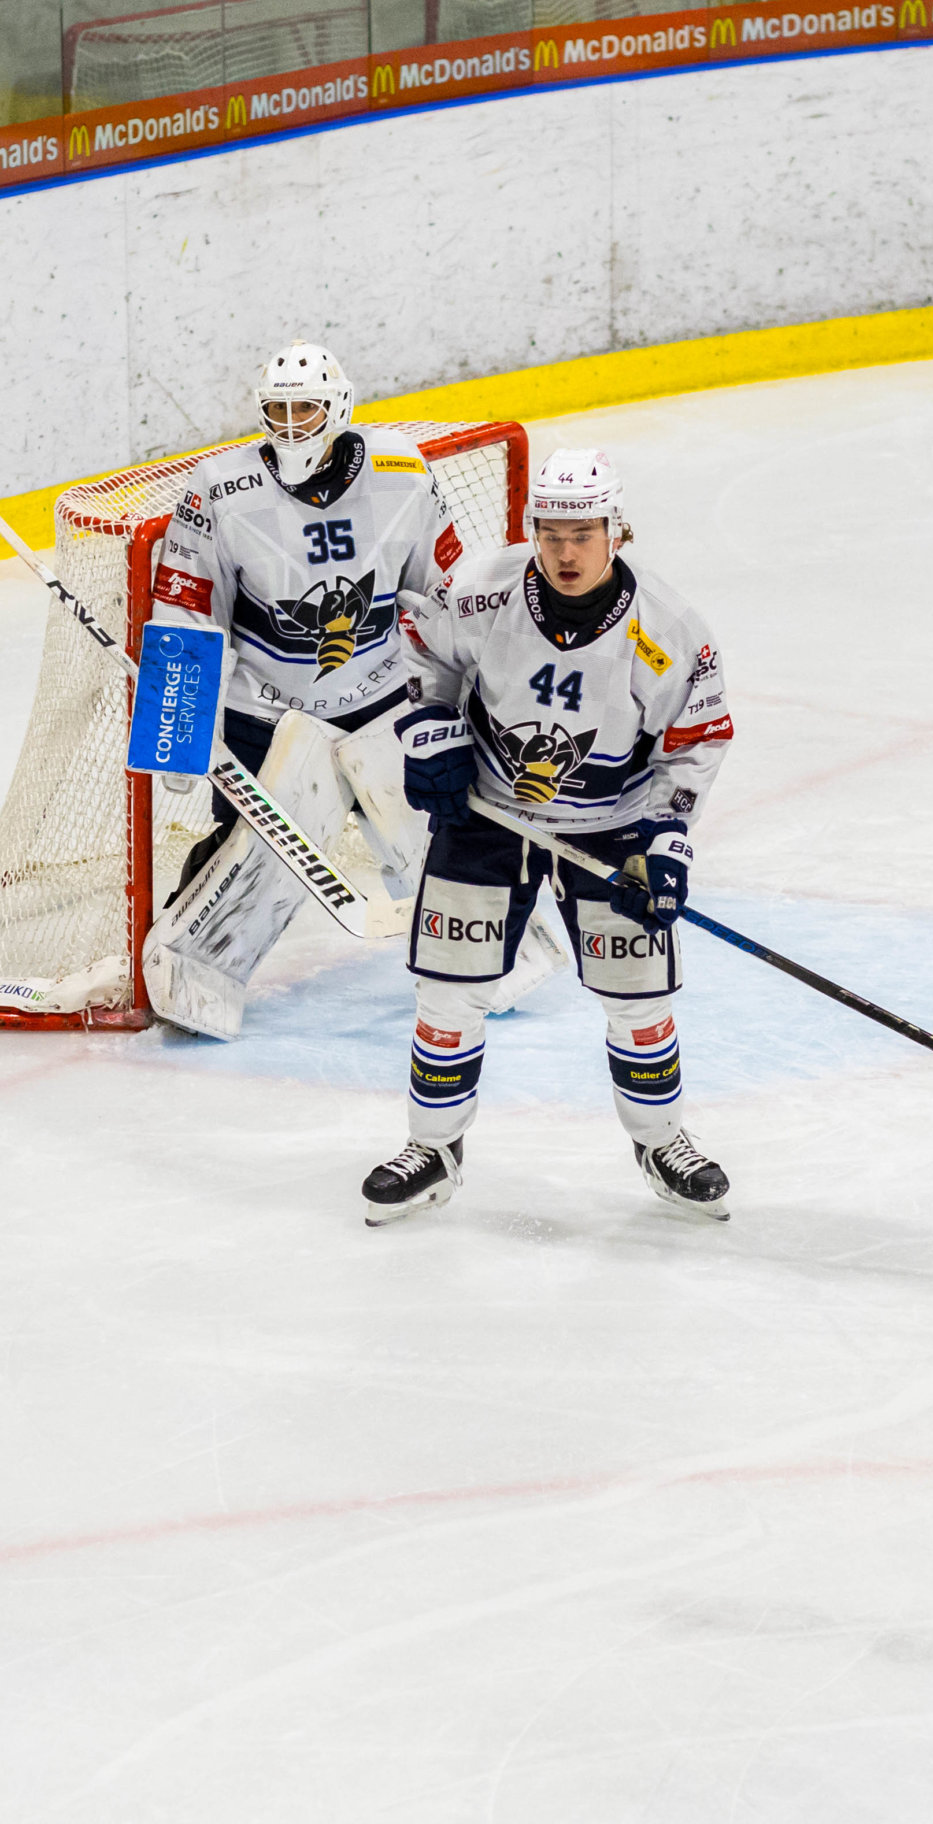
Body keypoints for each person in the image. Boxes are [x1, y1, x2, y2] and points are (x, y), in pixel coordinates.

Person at [363, 448, 736, 1223]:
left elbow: (695, 741)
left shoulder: (668, 631)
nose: (566, 552)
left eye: (584, 534)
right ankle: (432, 1149)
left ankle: (661, 1141)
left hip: (612, 829)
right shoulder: (484, 592)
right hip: (487, 815)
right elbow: (424, 651)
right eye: (552, 534)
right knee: (449, 994)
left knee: (638, 1000)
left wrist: (667, 840)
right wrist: (431, 730)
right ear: (533, 529)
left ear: (616, 530)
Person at [138, 343, 467, 1039]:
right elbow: (186, 608)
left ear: (338, 407)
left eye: (305, 409)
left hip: (383, 701)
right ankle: (191, 972)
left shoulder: (403, 473)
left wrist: (458, 703)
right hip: (266, 712)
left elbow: (445, 595)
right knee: (248, 859)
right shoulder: (220, 488)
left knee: (433, 833)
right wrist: (180, 730)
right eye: (276, 410)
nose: (290, 425)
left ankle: (479, 959)